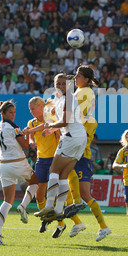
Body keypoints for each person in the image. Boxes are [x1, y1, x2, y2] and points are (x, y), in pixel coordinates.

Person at [19, 96, 85, 238]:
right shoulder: (31, 123)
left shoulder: (51, 118)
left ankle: (74, 222)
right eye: (30, 109)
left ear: (41, 107)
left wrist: (34, 131)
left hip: (54, 159)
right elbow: (32, 135)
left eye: (33, 109)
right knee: (39, 195)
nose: (31, 112)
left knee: (56, 196)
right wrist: (31, 140)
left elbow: (46, 127)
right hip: (41, 160)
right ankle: (47, 220)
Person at [29, 73, 87, 222]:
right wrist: (52, 129)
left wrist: (50, 125)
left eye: (64, 83)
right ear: (54, 84)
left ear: (69, 85)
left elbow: (65, 121)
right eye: (58, 83)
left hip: (71, 137)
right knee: (63, 174)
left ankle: (49, 204)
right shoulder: (60, 99)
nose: (61, 86)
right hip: (79, 138)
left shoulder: (69, 98)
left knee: (53, 170)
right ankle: (59, 208)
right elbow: (61, 119)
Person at [69, 65, 111, 242]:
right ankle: (81, 222)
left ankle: (101, 226)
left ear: (86, 79)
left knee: (82, 194)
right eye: (76, 74)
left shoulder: (84, 94)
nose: (75, 77)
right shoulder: (80, 94)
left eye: (78, 75)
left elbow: (73, 115)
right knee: (67, 191)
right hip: (75, 152)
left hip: (80, 154)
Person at [0, 100, 34, 245]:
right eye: (10, 112)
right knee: (37, 182)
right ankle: (23, 206)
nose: (13, 115)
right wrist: (26, 134)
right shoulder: (13, 126)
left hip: (3, 164)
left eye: (14, 112)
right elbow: (26, 145)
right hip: (17, 162)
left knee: (7, 200)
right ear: (2, 113)